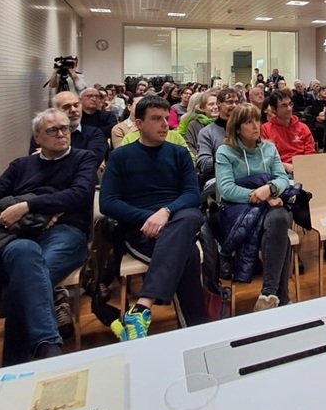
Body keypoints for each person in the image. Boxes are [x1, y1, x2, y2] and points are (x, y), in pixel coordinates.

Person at [0, 109, 97, 363]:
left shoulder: (82, 159)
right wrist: (30, 212)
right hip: (17, 239)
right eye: (52, 130)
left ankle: (16, 363)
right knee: (24, 259)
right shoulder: (21, 166)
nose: (62, 134)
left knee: (21, 284)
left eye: (65, 128)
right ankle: (48, 347)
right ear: (37, 137)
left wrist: (28, 206)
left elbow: (80, 195)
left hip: (67, 234)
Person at [100, 96, 207, 340]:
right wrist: (148, 218)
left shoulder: (178, 153)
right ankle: (197, 332)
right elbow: (108, 202)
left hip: (177, 218)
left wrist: (165, 212)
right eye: (156, 119)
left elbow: (192, 194)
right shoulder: (120, 157)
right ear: (138, 123)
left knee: (191, 216)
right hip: (141, 230)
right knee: (188, 254)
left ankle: (143, 305)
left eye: (166, 119)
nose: (164, 125)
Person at [215, 103, 294, 310]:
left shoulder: (269, 148)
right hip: (239, 210)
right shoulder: (225, 151)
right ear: (237, 127)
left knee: (278, 218)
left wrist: (269, 189)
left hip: (270, 204)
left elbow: (283, 179)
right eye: (248, 122)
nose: (255, 126)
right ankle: (281, 298)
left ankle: (268, 294)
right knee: (281, 231)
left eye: (257, 120)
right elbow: (226, 190)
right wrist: (261, 195)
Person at [262, 92, 326, 266]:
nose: (289, 108)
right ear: (274, 109)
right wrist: (287, 167)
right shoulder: (266, 129)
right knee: (287, 196)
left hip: (305, 170)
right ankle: (289, 248)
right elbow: (267, 158)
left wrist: (301, 167)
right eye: (284, 105)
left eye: (290, 104)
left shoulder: (303, 128)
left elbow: (310, 154)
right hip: (281, 173)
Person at [30, 90, 106, 166]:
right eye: (66, 107)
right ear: (54, 111)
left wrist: (52, 155)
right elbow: (36, 164)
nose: (73, 110)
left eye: (76, 105)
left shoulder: (95, 134)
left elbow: (91, 162)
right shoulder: (42, 134)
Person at [196, 87, 241, 183]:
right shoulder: (206, 132)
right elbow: (204, 165)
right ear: (218, 104)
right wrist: (226, 155)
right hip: (218, 179)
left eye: (237, 102)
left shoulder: (244, 128)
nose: (234, 106)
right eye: (229, 102)